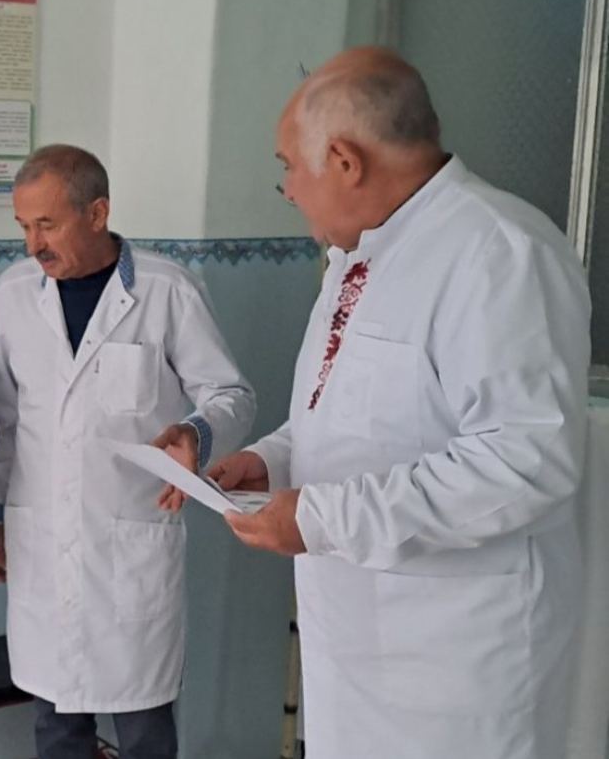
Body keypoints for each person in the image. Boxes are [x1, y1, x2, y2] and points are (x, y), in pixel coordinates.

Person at [211, 46, 591, 759]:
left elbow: (525, 460)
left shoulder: (498, 253)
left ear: (344, 161)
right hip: (356, 636)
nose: (287, 188)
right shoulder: (360, 255)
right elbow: (349, 413)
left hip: (453, 656)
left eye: (288, 166)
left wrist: (322, 515)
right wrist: (271, 460)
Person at [0, 144, 256, 759]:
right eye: (24, 226)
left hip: (130, 542)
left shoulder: (166, 290)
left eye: (47, 225)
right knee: (56, 723)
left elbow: (231, 394)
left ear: (97, 213)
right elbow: (1, 417)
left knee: (145, 726)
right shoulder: (13, 292)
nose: (32, 245)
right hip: (42, 542)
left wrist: (196, 434)